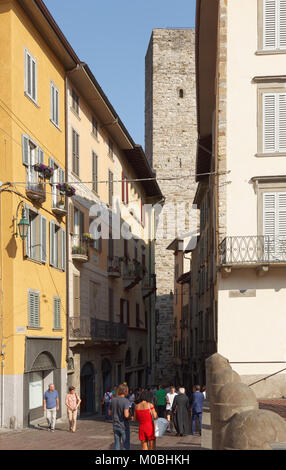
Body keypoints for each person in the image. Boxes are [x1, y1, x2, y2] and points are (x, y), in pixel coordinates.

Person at [109, 383, 131, 450]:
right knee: (125, 444)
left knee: (117, 444)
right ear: (125, 391)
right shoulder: (126, 401)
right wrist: (131, 417)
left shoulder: (113, 400)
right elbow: (126, 415)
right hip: (124, 425)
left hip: (115, 424)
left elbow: (109, 413)